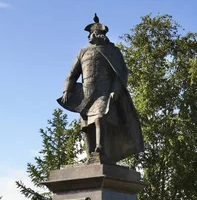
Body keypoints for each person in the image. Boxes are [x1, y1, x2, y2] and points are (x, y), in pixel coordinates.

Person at [58, 15, 143, 163]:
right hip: (86, 94)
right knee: (85, 126)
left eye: (90, 33)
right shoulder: (82, 52)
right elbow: (72, 74)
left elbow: (121, 72)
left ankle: (100, 148)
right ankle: (90, 154)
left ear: (97, 34)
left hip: (104, 91)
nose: (88, 37)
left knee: (100, 117)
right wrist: (67, 90)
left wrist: (116, 90)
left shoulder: (112, 51)